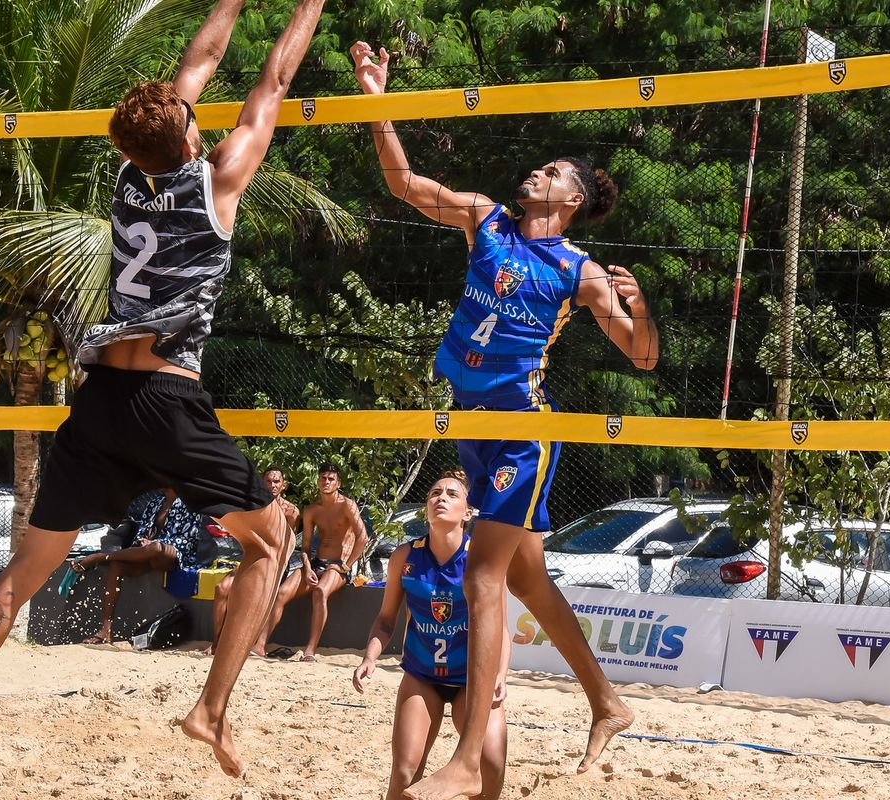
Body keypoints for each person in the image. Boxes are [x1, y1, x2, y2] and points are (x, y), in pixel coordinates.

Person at [0, 1, 326, 793]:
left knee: (17, 578)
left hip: (99, 398)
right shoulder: (219, 180)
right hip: (167, 401)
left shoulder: (126, 178)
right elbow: (273, 77)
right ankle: (211, 709)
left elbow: (192, 68)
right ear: (189, 136)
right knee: (272, 543)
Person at [351, 41, 654, 797]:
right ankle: (608, 703)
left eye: (553, 172)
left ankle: (464, 759)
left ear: (572, 200)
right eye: (542, 167)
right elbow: (406, 184)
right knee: (530, 580)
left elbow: (641, 358)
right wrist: (375, 99)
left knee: (487, 573)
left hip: (522, 426)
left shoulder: (578, 270)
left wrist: (640, 309)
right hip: (470, 422)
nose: (538, 172)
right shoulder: (487, 220)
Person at [354, 471, 508, 800]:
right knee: (406, 771)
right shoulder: (405, 557)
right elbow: (385, 619)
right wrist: (370, 657)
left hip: (471, 679)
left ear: (468, 512)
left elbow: (502, 630)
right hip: (423, 676)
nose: (441, 498)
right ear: (426, 509)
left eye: (452, 494)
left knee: (492, 762)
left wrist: (500, 675)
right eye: (435, 494)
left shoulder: (481, 561)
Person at [64, 489, 208, 644]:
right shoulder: (156, 501)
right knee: (117, 565)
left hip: (176, 555)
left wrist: (154, 544)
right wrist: (142, 541)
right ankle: (106, 629)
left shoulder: (190, 503)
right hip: (149, 554)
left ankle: (98, 557)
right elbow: (143, 531)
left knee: (157, 548)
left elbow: (189, 539)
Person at [210, 467, 298, 656]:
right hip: (252, 558)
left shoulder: (290, 511)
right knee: (221, 588)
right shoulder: (253, 506)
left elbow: (286, 545)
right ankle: (217, 643)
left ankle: (258, 646)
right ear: (262, 482)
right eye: (268, 481)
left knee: (271, 597)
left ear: (284, 485)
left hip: (277, 562)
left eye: (276, 482)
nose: (272, 485)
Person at [296, 463, 369, 661]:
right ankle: (259, 646)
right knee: (283, 591)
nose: (326, 482)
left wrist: (346, 566)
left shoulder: (347, 505)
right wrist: (307, 566)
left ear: (338, 483)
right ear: (317, 480)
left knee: (320, 591)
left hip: (338, 565)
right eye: (323, 478)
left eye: (331, 479)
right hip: (316, 562)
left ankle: (310, 650)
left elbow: (363, 538)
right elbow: (305, 547)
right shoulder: (311, 509)